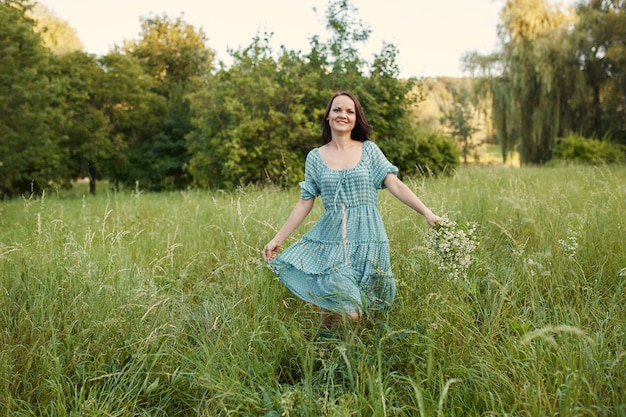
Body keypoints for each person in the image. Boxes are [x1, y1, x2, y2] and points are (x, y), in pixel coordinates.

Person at [263, 90, 441, 332]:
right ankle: (327, 344)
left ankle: (327, 350)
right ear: (327, 116)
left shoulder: (369, 150)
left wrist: (426, 212)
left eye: (350, 111)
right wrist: (277, 239)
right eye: (337, 109)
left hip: (368, 238)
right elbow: (305, 201)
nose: (342, 115)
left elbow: (395, 184)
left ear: (356, 118)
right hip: (332, 241)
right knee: (349, 309)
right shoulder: (315, 157)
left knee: (360, 305)